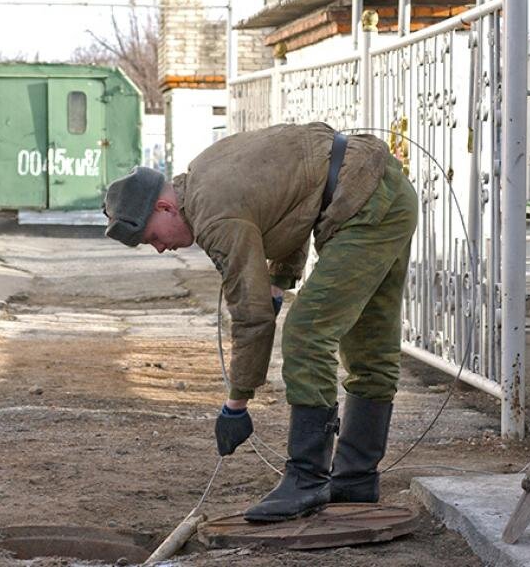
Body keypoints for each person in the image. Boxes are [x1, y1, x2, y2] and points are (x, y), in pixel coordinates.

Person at [102, 122, 417, 522]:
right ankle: (354, 480)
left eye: (152, 238)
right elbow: (298, 196)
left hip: (365, 205)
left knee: (307, 332)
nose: (161, 248)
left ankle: (307, 478)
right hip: (382, 191)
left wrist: (237, 403)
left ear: (164, 208)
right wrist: (280, 281)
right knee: (368, 344)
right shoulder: (205, 171)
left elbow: (251, 317)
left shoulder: (212, 216)